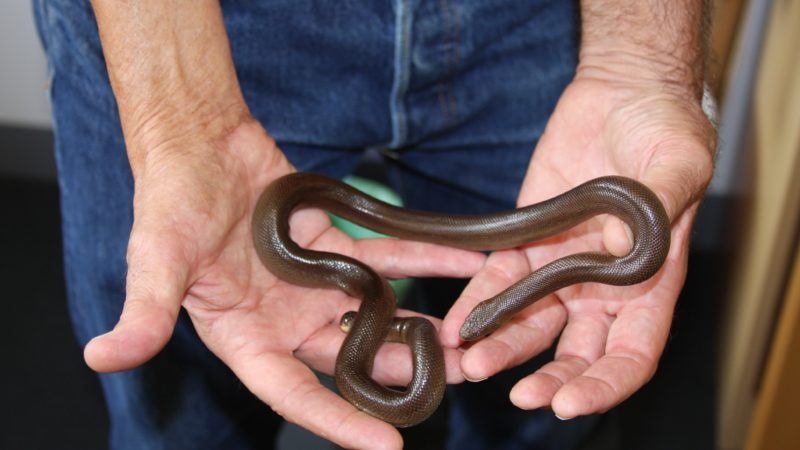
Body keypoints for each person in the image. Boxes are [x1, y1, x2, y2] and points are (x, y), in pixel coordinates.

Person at [34, 1, 715, 449]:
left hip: (545, 22)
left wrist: (641, 68)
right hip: (187, 35)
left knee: (545, 411)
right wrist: (182, 120)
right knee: (180, 422)